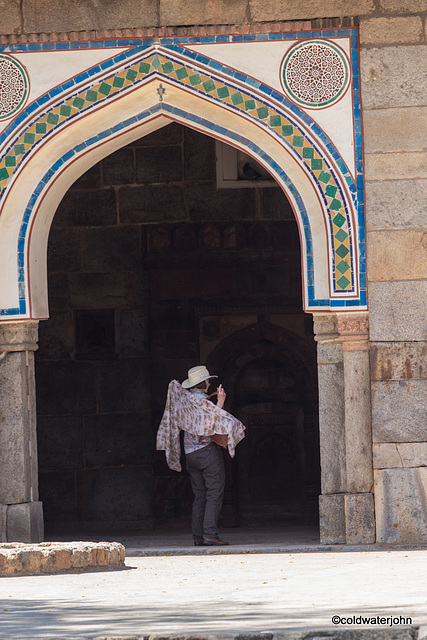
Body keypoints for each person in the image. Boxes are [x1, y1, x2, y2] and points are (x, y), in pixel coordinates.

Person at [156, 365, 245, 547]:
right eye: (208, 380)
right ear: (203, 383)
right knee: (214, 492)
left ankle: (198, 536)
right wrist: (220, 402)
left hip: (190, 454)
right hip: (207, 453)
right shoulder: (203, 403)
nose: (210, 383)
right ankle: (210, 534)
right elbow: (210, 424)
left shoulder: (186, 402)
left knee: (200, 495)